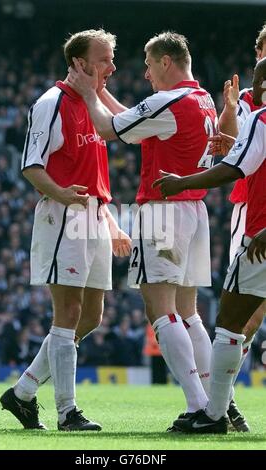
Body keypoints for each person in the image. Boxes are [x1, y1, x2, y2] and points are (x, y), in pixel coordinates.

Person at [67, 31, 217, 425]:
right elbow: (129, 120)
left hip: (164, 212)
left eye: (150, 65)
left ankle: (198, 406)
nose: (146, 74)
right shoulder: (202, 99)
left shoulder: (168, 101)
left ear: (166, 61)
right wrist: (100, 93)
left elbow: (107, 129)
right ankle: (219, 402)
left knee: (160, 308)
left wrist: (86, 93)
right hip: (195, 211)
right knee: (189, 312)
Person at [0, 29, 131, 431]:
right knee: (70, 312)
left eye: (112, 58)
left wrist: (110, 223)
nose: (111, 67)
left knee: (92, 315)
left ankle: (21, 392)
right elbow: (30, 164)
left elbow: (94, 174)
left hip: (93, 214)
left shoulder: (91, 106)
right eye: (104, 59)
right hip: (63, 214)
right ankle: (67, 412)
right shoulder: (50, 102)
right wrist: (62, 194)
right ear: (78, 62)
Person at [153, 56, 266, 433]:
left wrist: (182, 183)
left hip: (261, 239)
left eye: (261, 79)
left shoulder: (264, 120)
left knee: (230, 323)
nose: (257, 86)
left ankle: (215, 414)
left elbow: (232, 169)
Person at [217, 23, 266, 430]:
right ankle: (223, 401)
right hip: (253, 212)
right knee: (247, 316)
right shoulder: (249, 99)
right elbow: (228, 148)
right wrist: (231, 111)